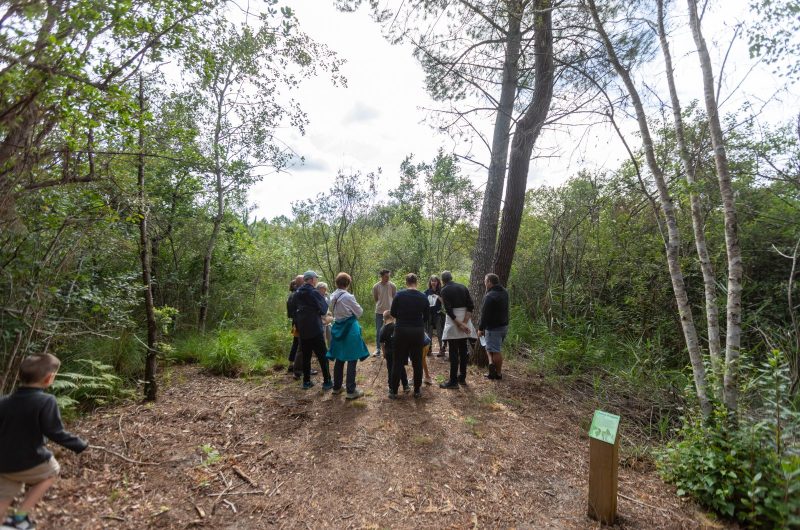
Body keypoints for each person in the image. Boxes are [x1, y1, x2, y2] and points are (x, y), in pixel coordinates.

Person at [0, 354, 88, 530]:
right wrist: (79, 444)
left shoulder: (4, 402)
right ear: (49, 378)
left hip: (3, 463)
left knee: (4, 495)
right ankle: (19, 518)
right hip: (29, 460)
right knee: (51, 472)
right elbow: (54, 432)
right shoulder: (45, 401)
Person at [326, 273, 369, 399]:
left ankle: (337, 387)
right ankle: (351, 390)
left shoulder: (332, 296)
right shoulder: (348, 297)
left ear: (337, 283)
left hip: (337, 327)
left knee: (339, 357)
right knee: (352, 358)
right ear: (348, 283)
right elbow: (359, 312)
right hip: (350, 329)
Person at [388, 273, 429, 399]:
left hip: (401, 330)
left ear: (406, 282)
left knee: (397, 361)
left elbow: (393, 313)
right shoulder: (423, 296)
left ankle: (394, 392)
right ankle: (417, 391)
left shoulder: (399, 295)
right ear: (416, 282)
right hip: (417, 331)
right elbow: (427, 317)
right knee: (417, 362)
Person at [294, 271, 333, 390]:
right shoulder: (314, 292)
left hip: (302, 328)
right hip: (315, 328)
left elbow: (293, 309)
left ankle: (306, 382)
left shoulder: (297, 292)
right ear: (311, 279)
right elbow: (323, 310)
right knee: (322, 355)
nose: (316, 280)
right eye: (316, 278)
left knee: (306, 356)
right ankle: (327, 382)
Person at [439, 270, 476, 389]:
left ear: (442, 280)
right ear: (451, 277)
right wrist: (465, 323)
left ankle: (453, 381)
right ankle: (462, 378)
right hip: (465, 320)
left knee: (453, 352)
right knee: (463, 350)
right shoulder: (463, 287)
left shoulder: (444, 290)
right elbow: (471, 306)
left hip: (454, 322)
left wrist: (460, 324)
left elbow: (449, 310)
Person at [478, 273, 510, 380]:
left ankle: (498, 374)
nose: (484, 283)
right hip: (504, 326)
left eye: (485, 281)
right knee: (491, 347)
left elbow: (484, 315)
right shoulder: (505, 292)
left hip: (493, 328)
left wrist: (480, 328)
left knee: (495, 350)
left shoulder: (489, 296)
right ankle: (491, 366)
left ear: (489, 282)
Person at [379, 311, 410, 393]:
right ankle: (405, 385)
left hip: (389, 353)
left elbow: (381, 342)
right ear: (393, 317)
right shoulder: (397, 326)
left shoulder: (382, 329)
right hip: (399, 351)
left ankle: (391, 388)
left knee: (390, 369)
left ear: (384, 319)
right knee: (401, 368)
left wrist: (384, 352)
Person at [372, 269, 397, 358]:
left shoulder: (392, 286)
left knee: (393, 329)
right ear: (381, 276)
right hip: (379, 311)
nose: (388, 278)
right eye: (386, 276)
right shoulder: (376, 286)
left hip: (391, 312)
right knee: (379, 330)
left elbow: (394, 297)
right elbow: (375, 298)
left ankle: (393, 347)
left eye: (388, 276)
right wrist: (380, 304)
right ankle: (378, 349)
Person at [424, 275, 447, 358]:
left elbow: (444, 303)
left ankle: (442, 349)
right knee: (428, 333)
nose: (433, 282)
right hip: (429, 315)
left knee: (440, 333)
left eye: (435, 281)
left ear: (438, 282)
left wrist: (438, 297)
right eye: (432, 281)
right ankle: (428, 349)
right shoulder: (426, 292)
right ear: (430, 282)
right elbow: (423, 303)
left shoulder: (441, 291)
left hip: (438, 314)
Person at [286, 275, 303, 375]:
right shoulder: (296, 295)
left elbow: (289, 314)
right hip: (298, 323)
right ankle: (296, 367)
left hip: (295, 323)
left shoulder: (291, 296)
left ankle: (291, 364)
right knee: (299, 344)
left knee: (296, 343)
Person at [316, 282, 333, 347]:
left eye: (325, 289)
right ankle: (324, 355)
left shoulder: (326, 297)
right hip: (321, 322)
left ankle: (331, 353)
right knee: (322, 340)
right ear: (319, 289)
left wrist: (329, 312)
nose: (325, 290)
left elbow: (327, 307)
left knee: (331, 338)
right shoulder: (315, 298)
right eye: (323, 289)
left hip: (327, 321)